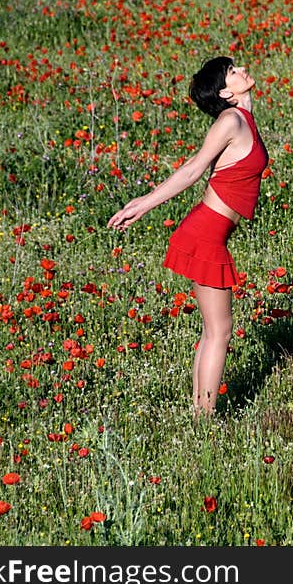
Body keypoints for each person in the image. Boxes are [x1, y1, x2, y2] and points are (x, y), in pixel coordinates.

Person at [107, 56, 269, 418]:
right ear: (226, 91)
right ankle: (204, 419)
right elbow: (194, 168)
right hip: (206, 234)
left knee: (213, 331)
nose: (241, 68)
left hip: (209, 231)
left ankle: (200, 413)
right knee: (220, 334)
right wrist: (144, 204)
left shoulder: (242, 118)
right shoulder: (231, 120)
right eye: (232, 71)